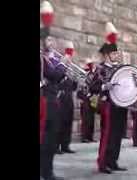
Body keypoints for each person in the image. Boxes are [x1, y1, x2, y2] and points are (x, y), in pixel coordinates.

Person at [96, 22, 128, 174]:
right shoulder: (100, 68)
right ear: (107, 55)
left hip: (120, 105)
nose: (116, 55)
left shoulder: (119, 68)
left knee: (118, 134)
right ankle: (103, 163)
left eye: (116, 54)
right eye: (114, 54)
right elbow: (92, 85)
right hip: (108, 105)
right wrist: (104, 87)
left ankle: (113, 161)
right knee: (107, 134)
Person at [40, 1, 65, 179]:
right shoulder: (44, 59)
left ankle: (48, 170)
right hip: (44, 102)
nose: (52, 42)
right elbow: (52, 74)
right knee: (45, 140)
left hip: (53, 101)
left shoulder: (51, 58)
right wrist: (63, 64)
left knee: (51, 139)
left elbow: (60, 77)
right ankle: (46, 172)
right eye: (48, 39)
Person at [56, 41, 78, 154]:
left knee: (68, 122)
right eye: (68, 58)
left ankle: (65, 145)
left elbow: (74, 87)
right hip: (61, 97)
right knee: (60, 122)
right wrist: (65, 73)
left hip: (69, 98)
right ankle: (56, 146)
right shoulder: (60, 68)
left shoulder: (71, 70)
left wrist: (74, 78)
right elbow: (57, 81)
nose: (70, 61)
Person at [77, 58, 99, 143]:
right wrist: (81, 97)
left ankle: (90, 136)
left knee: (92, 118)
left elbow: (96, 85)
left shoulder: (94, 74)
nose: (91, 65)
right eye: (90, 64)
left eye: (92, 64)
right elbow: (80, 87)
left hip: (93, 98)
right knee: (86, 118)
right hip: (85, 98)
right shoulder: (82, 74)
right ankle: (84, 137)